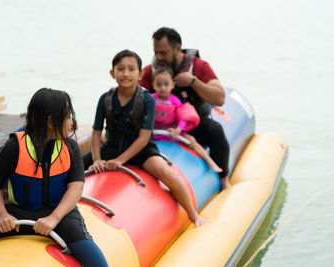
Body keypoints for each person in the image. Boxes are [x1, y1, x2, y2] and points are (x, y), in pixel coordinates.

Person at [0, 88, 108, 267]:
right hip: (19, 214)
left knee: (96, 261)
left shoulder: (70, 147)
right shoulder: (14, 146)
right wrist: (2, 215)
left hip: (60, 214)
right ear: (50, 121)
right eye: (68, 116)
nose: (72, 122)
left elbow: (76, 187)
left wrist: (54, 218)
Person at [82, 49, 206, 226]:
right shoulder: (105, 99)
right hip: (112, 147)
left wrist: (119, 160)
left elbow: (144, 137)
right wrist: (97, 159)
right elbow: (96, 132)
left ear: (140, 74)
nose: (126, 73)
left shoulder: (147, 100)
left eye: (131, 69)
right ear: (112, 73)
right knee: (74, 166)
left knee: (167, 173)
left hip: (142, 151)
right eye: (121, 69)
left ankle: (194, 215)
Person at [139, 27, 231, 190]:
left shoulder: (198, 67)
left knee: (215, 130)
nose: (158, 57)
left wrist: (193, 82)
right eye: (156, 52)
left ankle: (223, 178)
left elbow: (220, 98)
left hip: (190, 126)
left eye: (163, 52)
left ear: (177, 49)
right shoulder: (150, 71)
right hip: (160, 128)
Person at [151, 67, 222, 173]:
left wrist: (178, 130)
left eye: (166, 84)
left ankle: (210, 162)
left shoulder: (175, 101)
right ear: (153, 85)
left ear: (172, 85)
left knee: (192, 140)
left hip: (172, 132)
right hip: (154, 133)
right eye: (159, 84)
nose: (163, 88)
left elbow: (183, 117)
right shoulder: (151, 99)